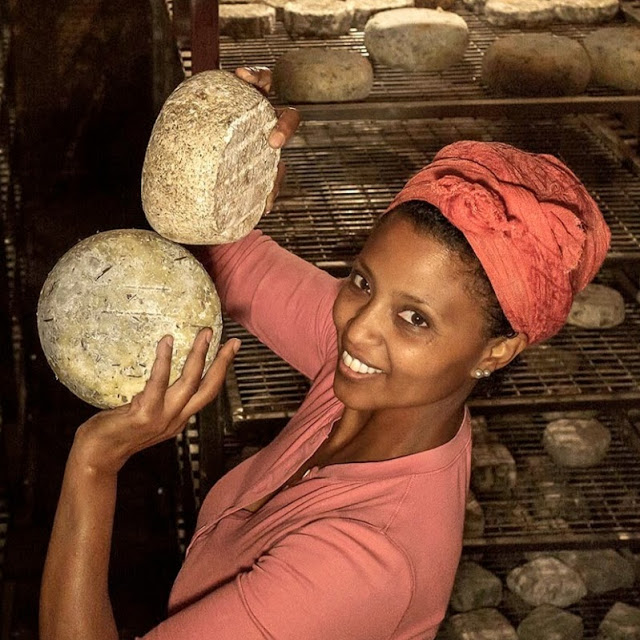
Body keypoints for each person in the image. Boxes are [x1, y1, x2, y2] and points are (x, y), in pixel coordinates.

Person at [39, 67, 611, 640]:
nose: (357, 330)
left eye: (414, 318)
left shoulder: (360, 564)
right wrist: (225, 153)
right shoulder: (378, 387)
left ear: (497, 350)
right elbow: (232, 261)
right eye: (362, 282)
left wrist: (94, 463)